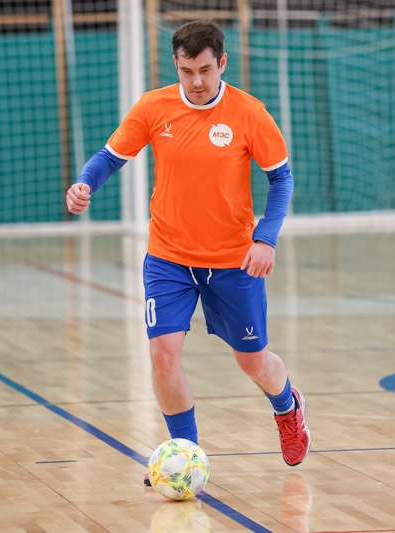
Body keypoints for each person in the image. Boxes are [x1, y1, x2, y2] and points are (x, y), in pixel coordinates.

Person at [65, 20, 310, 482]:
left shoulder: (249, 112)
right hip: (169, 256)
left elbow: (281, 177)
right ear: (175, 65)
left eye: (205, 70)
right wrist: (84, 183)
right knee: (163, 354)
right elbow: (110, 157)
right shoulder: (153, 107)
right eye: (186, 71)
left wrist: (265, 238)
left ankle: (287, 406)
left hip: (233, 261)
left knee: (252, 361)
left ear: (222, 63)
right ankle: (183, 455)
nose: (196, 81)